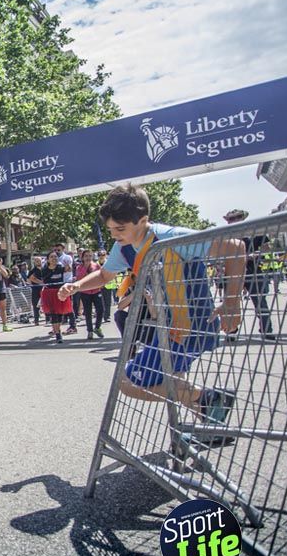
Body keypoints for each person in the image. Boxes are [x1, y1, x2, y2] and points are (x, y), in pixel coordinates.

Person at [59, 185, 245, 434]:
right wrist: (77, 285)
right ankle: (209, 418)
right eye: (111, 229)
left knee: (127, 382)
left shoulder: (170, 237)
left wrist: (232, 302)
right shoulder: (123, 246)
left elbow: (234, 247)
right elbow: (104, 275)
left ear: (143, 221)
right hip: (172, 331)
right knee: (171, 378)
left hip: (192, 328)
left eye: (120, 229)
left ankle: (206, 399)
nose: (114, 234)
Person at [223, 209, 275, 342]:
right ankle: (231, 331)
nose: (234, 220)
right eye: (231, 219)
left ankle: (267, 330)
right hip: (233, 272)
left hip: (253, 271)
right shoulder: (226, 235)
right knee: (230, 304)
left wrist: (256, 254)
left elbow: (267, 246)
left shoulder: (254, 231)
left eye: (237, 217)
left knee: (260, 303)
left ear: (243, 218)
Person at [39, 250, 71, 343]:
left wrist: (67, 263)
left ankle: (57, 329)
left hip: (59, 292)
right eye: (52, 257)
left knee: (60, 314)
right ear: (48, 260)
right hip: (49, 293)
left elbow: (68, 269)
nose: (54, 259)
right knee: (53, 314)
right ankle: (57, 334)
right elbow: (39, 279)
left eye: (56, 257)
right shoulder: (44, 270)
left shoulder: (60, 267)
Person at [74, 249, 105, 340]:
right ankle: (90, 331)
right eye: (86, 256)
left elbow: (100, 276)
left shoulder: (96, 265)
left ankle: (97, 327)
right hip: (85, 292)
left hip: (96, 291)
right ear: (82, 257)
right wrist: (86, 269)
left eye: (90, 256)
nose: (88, 258)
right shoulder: (79, 267)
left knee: (100, 310)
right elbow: (79, 279)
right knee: (88, 312)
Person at [55, 243, 78, 334]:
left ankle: (73, 325)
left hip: (66, 283)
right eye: (55, 250)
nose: (57, 252)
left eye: (59, 250)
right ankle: (57, 327)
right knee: (58, 306)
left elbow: (68, 269)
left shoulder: (67, 258)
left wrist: (58, 268)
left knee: (68, 305)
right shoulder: (54, 258)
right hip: (57, 283)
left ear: (63, 249)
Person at [26, 255, 44, 325]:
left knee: (47, 303)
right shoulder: (32, 271)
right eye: (36, 261)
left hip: (45, 289)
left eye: (39, 260)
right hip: (35, 290)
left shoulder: (45, 269)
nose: (38, 262)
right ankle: (36, 320)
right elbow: (28, 279)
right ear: (34, 262)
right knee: (36, 305)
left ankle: (48, 319)